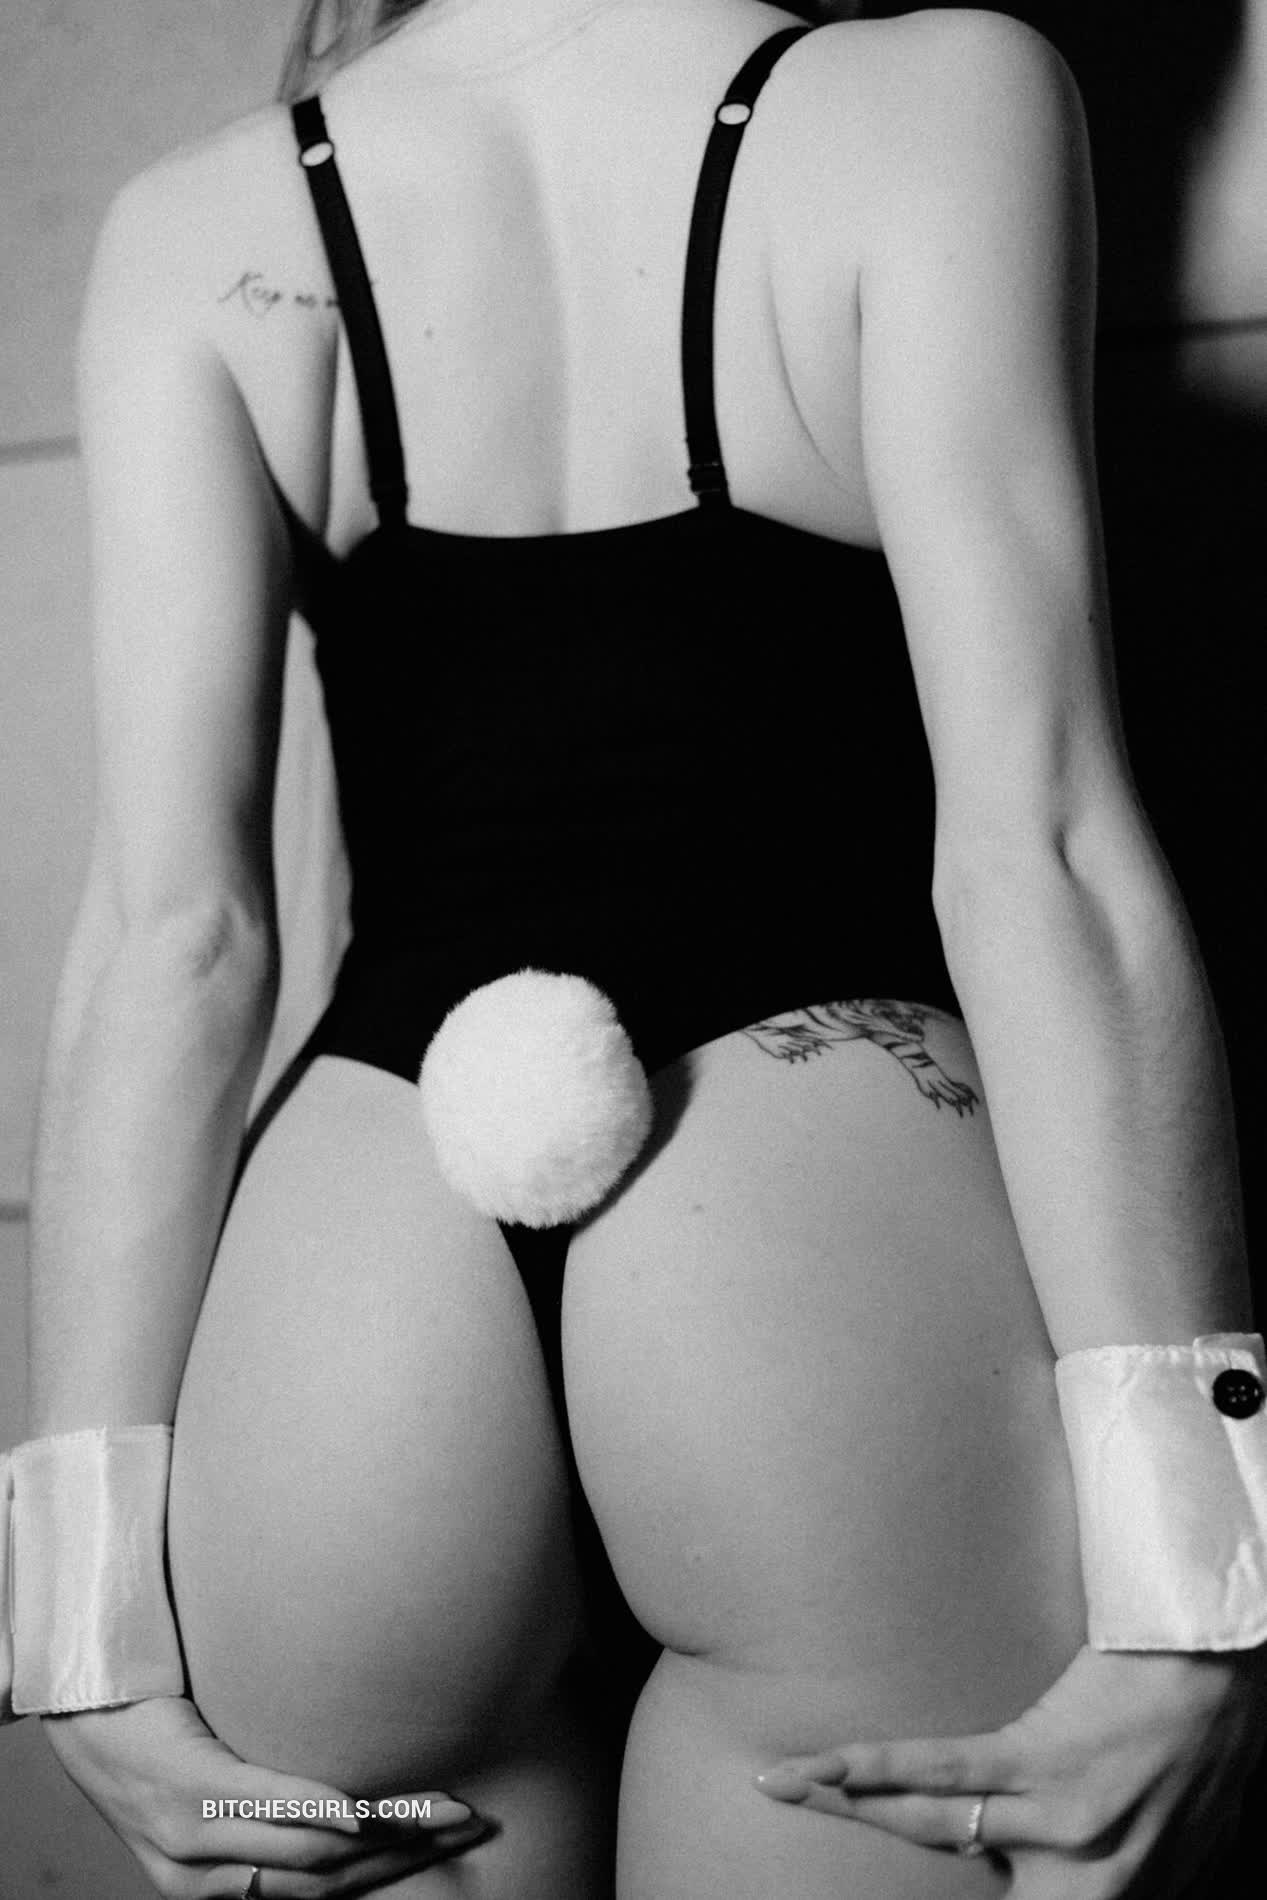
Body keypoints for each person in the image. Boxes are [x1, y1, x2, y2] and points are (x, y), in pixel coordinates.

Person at [3, 1, 1264, 1896]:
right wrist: (1206, 1580)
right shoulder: (938, 100)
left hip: (357, 1274)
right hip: (809, 1231)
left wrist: (72, 1630)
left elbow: (173, 938)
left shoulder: (195, 227)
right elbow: (1048, 856)